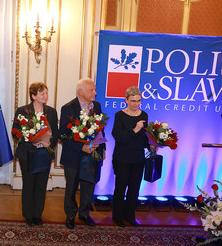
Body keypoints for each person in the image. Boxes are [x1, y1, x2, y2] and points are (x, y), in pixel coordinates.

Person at [59, 78, 106, 229]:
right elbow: (63, 135)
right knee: (71, 187)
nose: (95, 92)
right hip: (73, 155)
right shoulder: (68, 108)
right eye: (92, 90)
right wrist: (82, 147)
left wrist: (102, 148)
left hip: (93, 154)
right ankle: (70, 216)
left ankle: (84, 214)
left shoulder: (97, 106)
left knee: (88, 185)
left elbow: (100, 128)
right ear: (81, 91)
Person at [12, 82, 59, 226]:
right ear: (33, 96)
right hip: (28, 154)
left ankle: (38, 214)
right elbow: (16, 132)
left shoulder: (51, 111)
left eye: (46, 93)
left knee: (41, 185)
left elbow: (56, 133)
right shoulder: (22, 110)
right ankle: (28, 214)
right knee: (29, 184)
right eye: (42, 94)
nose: (46, 96)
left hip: (44, 154)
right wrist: (31, 141)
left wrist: (49, 142)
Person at [111, 86, 155, 227]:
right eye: (133, 101)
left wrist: (151, 144)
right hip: (122, 158)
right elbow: (117, 136)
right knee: (120, 188)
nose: (136, 104)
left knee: (134, 189)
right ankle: (117, 217)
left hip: (138, 158)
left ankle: (130, 216)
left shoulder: (144, 115)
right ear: (126, 100)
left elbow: (144, 137)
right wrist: (134, 129)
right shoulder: (119, 115)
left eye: (138, 100)